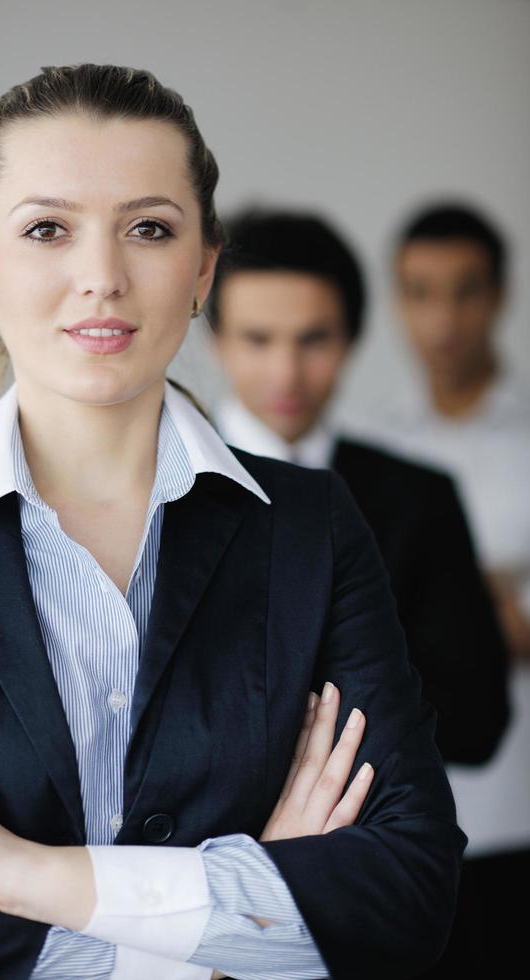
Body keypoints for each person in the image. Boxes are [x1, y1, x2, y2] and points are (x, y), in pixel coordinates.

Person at [0, 64, 467, 980]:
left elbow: (407, 890)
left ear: (202, 270)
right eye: (47, 229)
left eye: (148, 229)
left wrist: (20, 873)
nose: (103, 278)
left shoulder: (310, 524)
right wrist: (223, 937)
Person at [207, 206, 510, 766]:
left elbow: (477, 720)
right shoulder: (161, 484)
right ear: (215, 340)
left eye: (313, 339)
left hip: (378, 840)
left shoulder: (420, 496)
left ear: (351, 339)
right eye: (258, 339)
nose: (287, 373)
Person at [344, 200, 530, 975]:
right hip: (407, 823)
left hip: (520, 807)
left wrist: (454, 600)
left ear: (500, 295)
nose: (443, 318)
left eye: (464, 290)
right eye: (420, 291)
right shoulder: (373, 451)